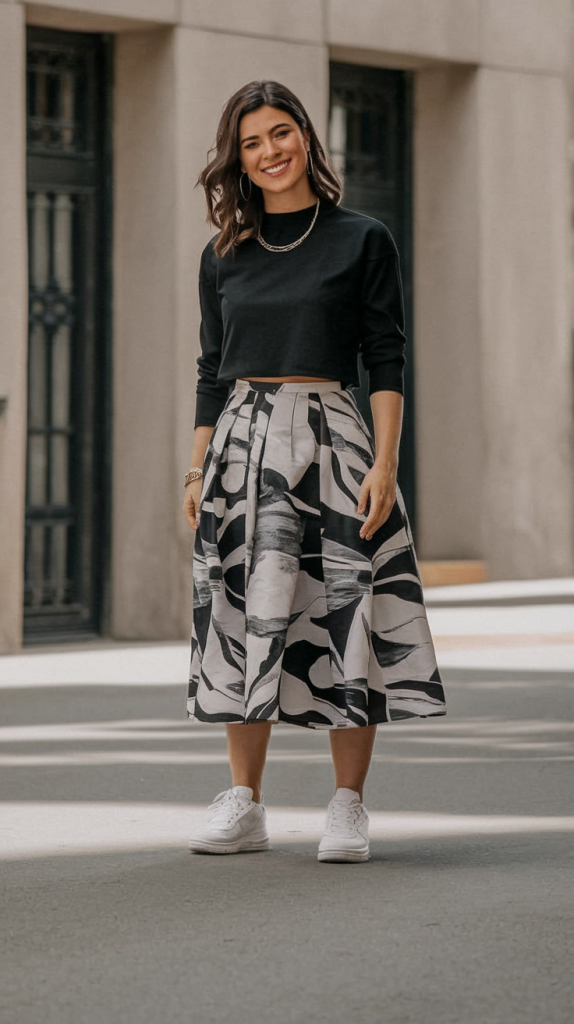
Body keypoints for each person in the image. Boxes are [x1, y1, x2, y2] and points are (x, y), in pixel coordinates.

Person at [182, 80, 446, 863]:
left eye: (281, 133)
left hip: (334, 437)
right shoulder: (224, 254)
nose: (269, 152)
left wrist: (387, 462)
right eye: (253, 142)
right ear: (239, 158)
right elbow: (208, 369)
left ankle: (347, 805)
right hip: (242, 441)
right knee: (244, 613)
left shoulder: (362, 238)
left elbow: (386, 356)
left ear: (306, 137)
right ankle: (246, 802)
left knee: (346, 609)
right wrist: (195, 470)